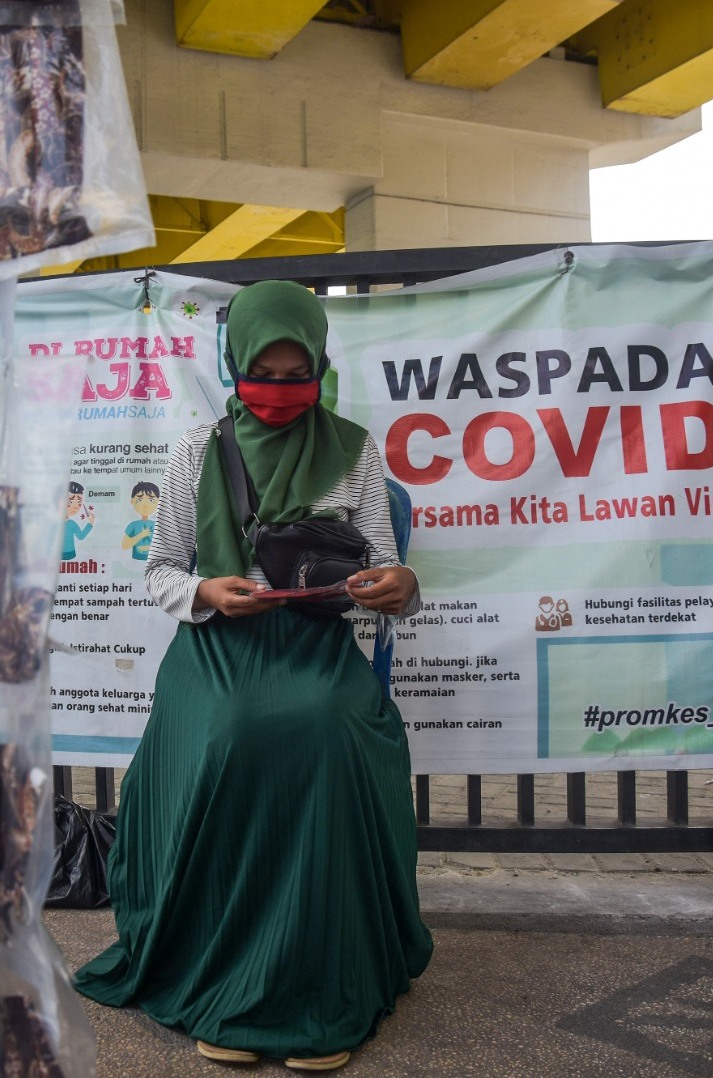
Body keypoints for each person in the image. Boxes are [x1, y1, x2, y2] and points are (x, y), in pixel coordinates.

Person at [74, 280, 432, 1072]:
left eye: (294, 373)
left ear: (319, 365)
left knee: (328, 731)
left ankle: (316, 978)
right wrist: (205, 590)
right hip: (218, 648)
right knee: (232, 734)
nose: (278, 393)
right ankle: (224, 971)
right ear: (233, 366)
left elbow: (384, 564)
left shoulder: (355, 448)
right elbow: (161, 570)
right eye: (261, 374)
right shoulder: (194, 451)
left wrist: (398, 586)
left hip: (314, 645)